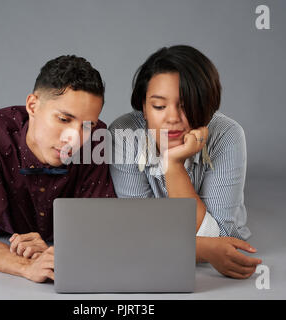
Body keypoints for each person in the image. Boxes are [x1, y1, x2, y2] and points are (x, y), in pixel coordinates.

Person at [0, 55, 116, 283]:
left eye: (86, 126)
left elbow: (99, 230)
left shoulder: (97, 141)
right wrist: (28, 267)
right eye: (63, 119)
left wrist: (62, 250)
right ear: (32, 105)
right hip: (9, 233)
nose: (74, 138)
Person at [109, 45, 262, 279]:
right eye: (159, 106)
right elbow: (138, 230)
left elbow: (219, 238)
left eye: (185, 105)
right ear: (143, 106)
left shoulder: (227, 134)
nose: (172, 118)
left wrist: (173, 165)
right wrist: (205, 250)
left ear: (205, 104)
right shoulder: (124, 132)